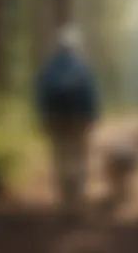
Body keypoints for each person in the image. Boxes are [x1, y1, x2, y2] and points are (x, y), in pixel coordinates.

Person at [35, 24, 99, 212]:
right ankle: (77, 193)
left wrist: (44, 116)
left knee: (61, 155)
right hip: (79, 119)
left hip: (56, 119)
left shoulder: (49, 67)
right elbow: (90, 94)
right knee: (78, 154)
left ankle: (65, 195)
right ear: (75, 46)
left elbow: (42, 93)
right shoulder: (82, 67)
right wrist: (92, 116)